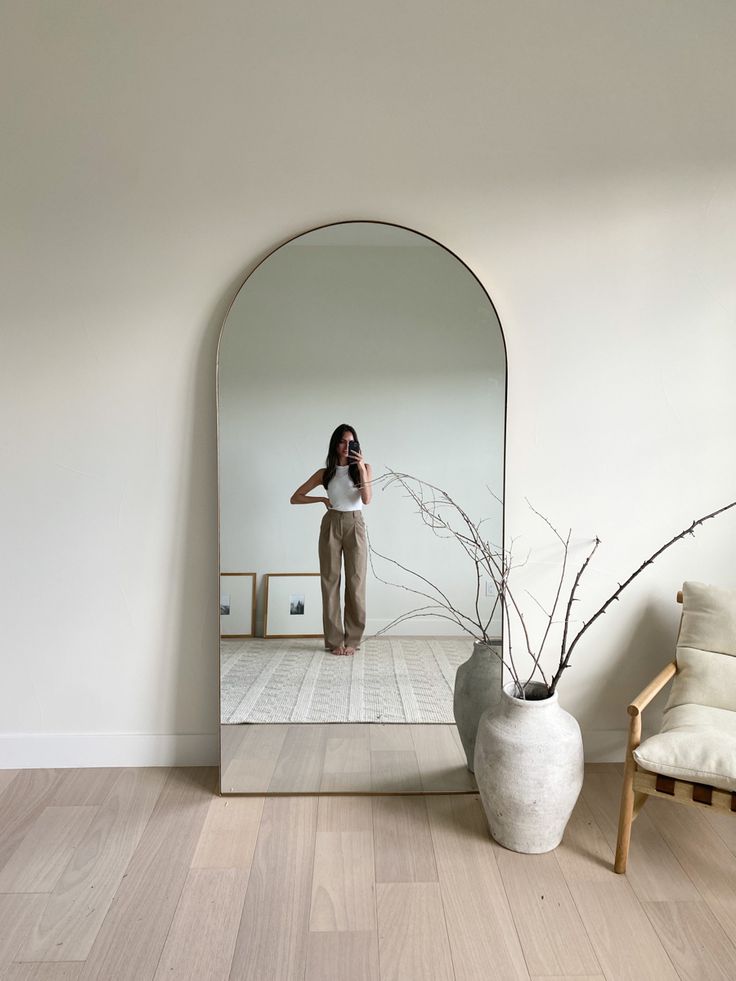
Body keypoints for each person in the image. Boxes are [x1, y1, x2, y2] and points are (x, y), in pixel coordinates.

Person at [290, 424, 372, 655]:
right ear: (335, 444)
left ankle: (352, 641)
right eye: (342, 442)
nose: (347, 446)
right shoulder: (325, 473)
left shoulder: (364, 468)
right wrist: (321, 500)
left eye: (351, 442)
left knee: (356, 583)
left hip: (355, 524)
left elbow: (366, 499)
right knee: (330, 581)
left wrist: (362, 468)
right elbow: (295, 498)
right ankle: (335, 642)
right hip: (331, 524)